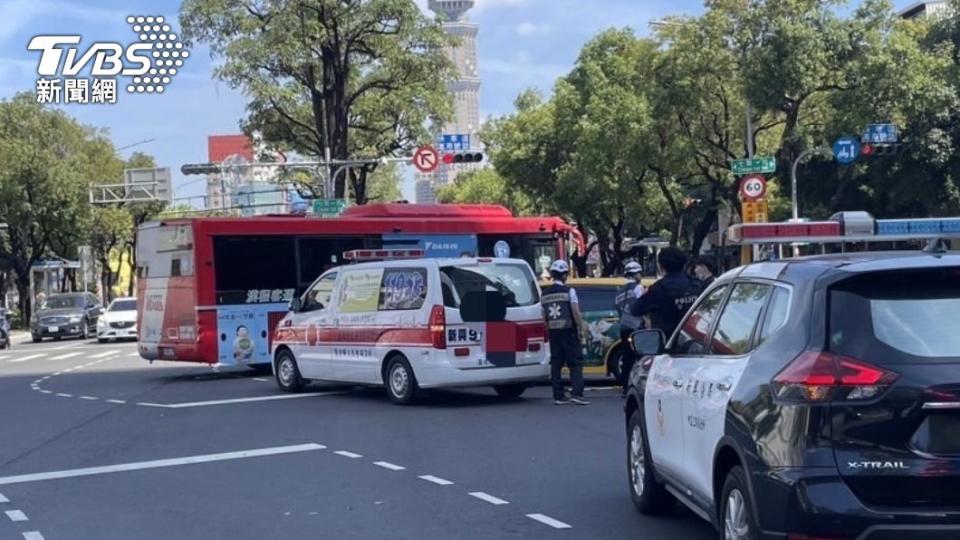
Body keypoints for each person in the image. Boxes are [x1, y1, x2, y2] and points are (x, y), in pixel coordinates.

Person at [542, 259, 589, 406]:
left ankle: (558, 396)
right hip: (569, 332)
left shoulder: (544, 294)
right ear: (564, 275)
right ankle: (577, 394)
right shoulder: (570, 291)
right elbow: (575, 312)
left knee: (556, 364)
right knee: (575, 363)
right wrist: (581, 328)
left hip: (553, 333)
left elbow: (544, 317)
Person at [630, 247, 700, 339]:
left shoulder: (659, 288)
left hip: (667, 343)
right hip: (695, 341)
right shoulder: (696, 284)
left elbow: (635, 309)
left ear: (661, 266)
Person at [615, 261, 645, 391]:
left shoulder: (619, 292)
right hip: (637, 327)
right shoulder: (638, 288)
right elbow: (642, 307)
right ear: (635, 274)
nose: (641, 276)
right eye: (639, 273)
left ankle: (625, 388)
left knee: (627, 358)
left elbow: (618, 309)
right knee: (641, 357)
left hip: (624, 328)